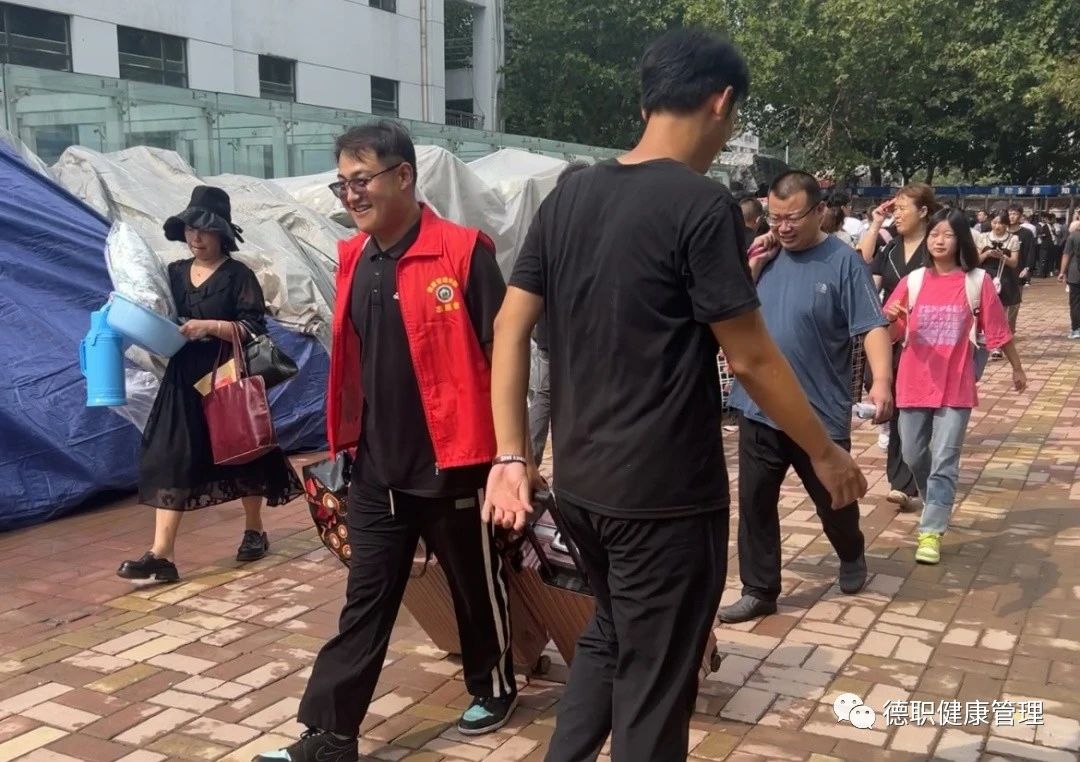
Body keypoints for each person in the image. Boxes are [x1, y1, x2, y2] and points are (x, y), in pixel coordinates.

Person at [481, 28, 867, 762]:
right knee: (657, 687)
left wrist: (509, 455)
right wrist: (824, 452)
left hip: (584, 487)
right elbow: (750, 357)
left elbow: (509, 325)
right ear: (721, 102)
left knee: (611, 634)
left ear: (646, 100)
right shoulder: (700, 204)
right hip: (663, 499)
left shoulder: (570, 194)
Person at [256, 121, 520, 762]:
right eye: (342, 183)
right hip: (377, 465)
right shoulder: (355, 258)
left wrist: (512, 456)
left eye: (362, 179)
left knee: (474, 585)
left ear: (404, 176)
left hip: (456, 460)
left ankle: (494, 683)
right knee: (365, 599)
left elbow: (506, 353)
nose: (351, 194)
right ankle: (330, 735)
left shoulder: (463, 253)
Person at [718, 171, 893, 624]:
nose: (783, 227)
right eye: (775, 217)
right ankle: (759, 589)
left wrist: (882, 381)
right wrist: (752, 267)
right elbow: (731, 313)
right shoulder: (764, 254)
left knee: (834, 496)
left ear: (819, 211)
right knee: (755, 504)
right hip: (759, 405)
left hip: (819, 411)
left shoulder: (843, 262)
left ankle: (851, 553)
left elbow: (872, 326)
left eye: (793, 217)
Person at [117, 186, 303, 583]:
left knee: (243, 450)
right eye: (190, 229)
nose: (196, 237)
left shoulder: (239, 276)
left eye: (204, 230)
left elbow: (254, 328)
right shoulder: (174, 273)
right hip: (183, 377)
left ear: (222, 233)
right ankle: (161, 554)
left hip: (226, 374)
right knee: (169, 455)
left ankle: (254, 530)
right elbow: (158, 311)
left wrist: (210, 326)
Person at [884, 209, 1026, 564]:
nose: (939, 240)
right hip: (913, 382)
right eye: (934, 234)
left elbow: (998, 330)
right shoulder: (913, 281)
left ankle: (931, 531)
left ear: (960, 239)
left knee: (945, 458)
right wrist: (891, 320)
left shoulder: (976, 282)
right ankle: (935, 498)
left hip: (956, 384)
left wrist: (1017, 368)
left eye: (947, 235)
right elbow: (890, 333)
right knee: (912, 454)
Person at [862, 184, 938, 512]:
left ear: (923, 211)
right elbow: (864, 263)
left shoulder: (937, 246)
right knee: (893, 402)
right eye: (895, 209)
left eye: (903, 208)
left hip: (926, 341)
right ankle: (907, 473)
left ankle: (903, 482)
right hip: (892, 335)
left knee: (910, 410)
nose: (898, 215)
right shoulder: (891, 247)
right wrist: (876, 223)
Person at [529, 161, 590, 469]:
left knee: (545, 397)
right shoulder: (591, 231)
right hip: (579, 337)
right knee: (578, 400)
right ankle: (577, 467)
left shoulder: (546, 226)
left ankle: (530, 462)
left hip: (549, 335)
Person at [980, 210, 1022, 352]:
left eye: (1001, 223)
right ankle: (990, 340)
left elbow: (1014, 263)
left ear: (1006, 224)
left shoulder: (1013, 239)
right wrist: (987, 254)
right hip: (986, 276)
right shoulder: (983, 237)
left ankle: (999, 343)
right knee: (987, 310)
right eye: (995, 222)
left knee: (1002, 311)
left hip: (1005, 277)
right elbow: (976, 260)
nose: (997, 226)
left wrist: (1002, 257)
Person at [1058, 228, 1080, 338]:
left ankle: (1076, 329)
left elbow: (1066, 255)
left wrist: (1062, 272)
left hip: (1075, 273)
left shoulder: (1073, 236)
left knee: (1075, 302)